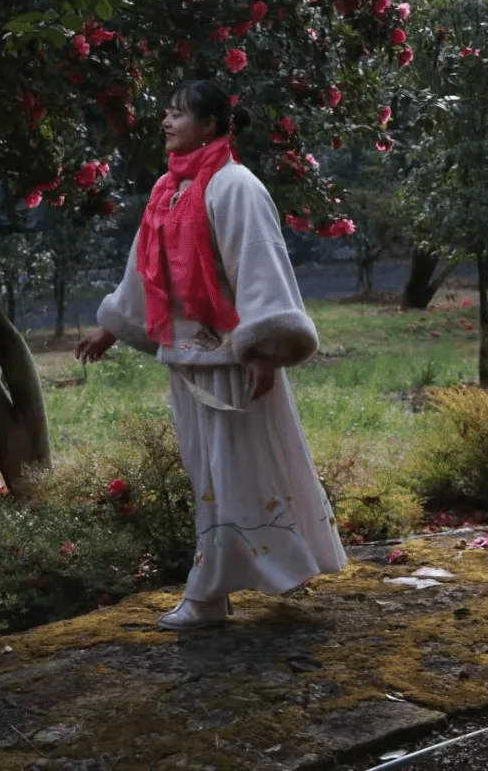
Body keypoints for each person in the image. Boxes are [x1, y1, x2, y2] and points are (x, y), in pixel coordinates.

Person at [76, 79, 346, 631]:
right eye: (166, 113)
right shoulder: (168, 191)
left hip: (234, 366)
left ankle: (206, 595)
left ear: (209, 124)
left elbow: (260, 267)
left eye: (177, 114)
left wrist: (266, 351)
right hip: (188, 361)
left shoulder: (236, 186)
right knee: (210, 476)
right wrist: (112, 326)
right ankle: (214, 589)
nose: (166, 122)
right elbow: (144, 270)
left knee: (232, 476)